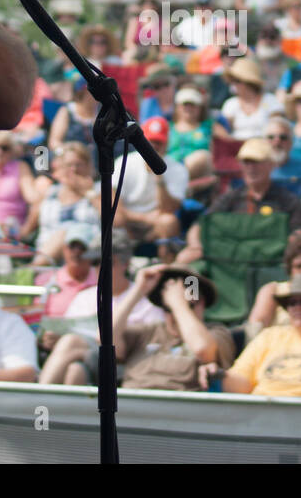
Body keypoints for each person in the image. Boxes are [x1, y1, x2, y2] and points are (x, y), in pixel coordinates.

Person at [36, 234, 165, 385]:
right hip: (90, 362)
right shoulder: (84, 297)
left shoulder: (145, 300)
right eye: (96, 262)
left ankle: (38, 399)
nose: (100, 267)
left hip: (128, 364)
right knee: (74, 370)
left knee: (71, 344)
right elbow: (69, 332)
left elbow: (153, 345)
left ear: (126, 263)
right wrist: (55, 339)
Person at [176, 137, 301, 264]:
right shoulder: (230, 198)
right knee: (184, 263)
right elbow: (200, 224)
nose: (251, 168)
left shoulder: (287, 200)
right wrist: (195, 246)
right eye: (246, 162)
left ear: (271, 165)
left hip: (272, 264)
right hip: (232, 264)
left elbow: (298, 232)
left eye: (256, 162)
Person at [115, 267, 235, 391]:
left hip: (180, 406)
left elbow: (203, 350)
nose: (175, 314)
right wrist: (139, 290)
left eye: (190, 306)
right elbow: (106, 338)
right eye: (168, 308)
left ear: (202, 304)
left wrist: (178, 303)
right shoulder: (149, 331)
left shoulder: (216, 333)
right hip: (132, 402)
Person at [113, 116, 188, 246]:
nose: (153, 146)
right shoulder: (124, 162)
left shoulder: (178, 169)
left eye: (158, 143)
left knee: (168, 222)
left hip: (156, 224)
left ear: (166, 144)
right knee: (115, 218)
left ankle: (165, 261)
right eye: (150, 141)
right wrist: (144, 218)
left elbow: (169, 208)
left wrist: (158, 175)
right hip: (129, 220)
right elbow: (114, 204)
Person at [24, 142, 101, 264]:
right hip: (48, 253)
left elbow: (117, 221)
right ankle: (37, 266)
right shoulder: (48, 193)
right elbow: (27, 230)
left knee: (67, 233)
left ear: (88, 166)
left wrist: (89, 193)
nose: (74, 169)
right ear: (59, 168)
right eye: (69, 165)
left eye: (79, 165)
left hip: (87, 255)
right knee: (61, 234)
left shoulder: (100, 191)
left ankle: (31, 271)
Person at [220, 57, 283, 140]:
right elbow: (224, 129)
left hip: (264, 147)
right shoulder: (230, 104)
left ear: (249, 83)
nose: (233, 84)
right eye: (232, 80)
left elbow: (277, 129)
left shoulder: (270, 101)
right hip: (237, 148)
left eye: (237, 80)